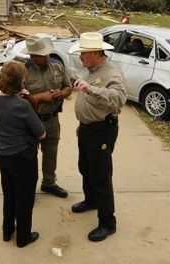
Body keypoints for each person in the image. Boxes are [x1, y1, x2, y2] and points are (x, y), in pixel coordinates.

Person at [68, 32, 127, 242]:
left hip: (102, 132)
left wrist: (91, 89)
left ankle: (108, 223)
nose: (80, 58)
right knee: (85, 168)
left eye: (83, 54)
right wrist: (82, 124)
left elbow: (118, 99)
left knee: (101, 176)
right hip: (87, 130)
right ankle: (91, 200)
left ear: (94, 53)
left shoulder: (111, 73)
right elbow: (91, 102)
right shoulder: (92, 70)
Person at [0, 60, 46, 248]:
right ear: (20, 81)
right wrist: (25, 102)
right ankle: (23, 237)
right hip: (22, 157)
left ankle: (7, 231)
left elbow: (5, 109)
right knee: (24, 197)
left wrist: (17, 98)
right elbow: (41, 133)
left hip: (3, 155)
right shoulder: (22, 106)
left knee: (9, 194)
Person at [22, 36, 73, 198]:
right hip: (32, 122)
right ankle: (27, 187)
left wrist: (61, 94)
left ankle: (49, 183)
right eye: (42, 55)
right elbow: (18, 99)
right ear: (32, 56)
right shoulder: (24, 72)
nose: (46, 57)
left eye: (47, 54)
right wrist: (41, 97)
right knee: (29, 157)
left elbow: (68, 88)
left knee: (51, 153)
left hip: (52, 120)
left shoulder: (57, 68)